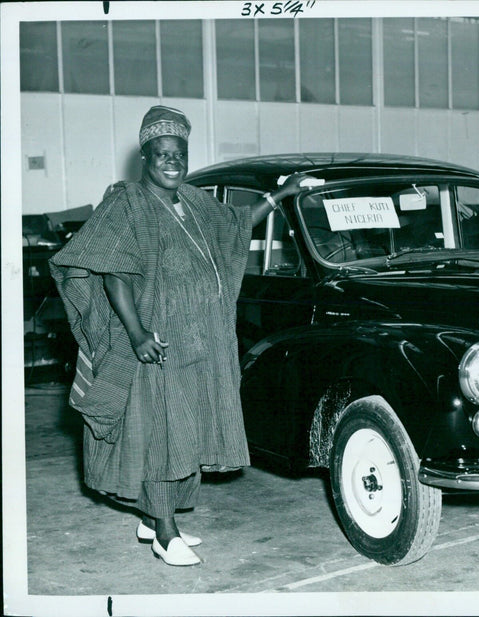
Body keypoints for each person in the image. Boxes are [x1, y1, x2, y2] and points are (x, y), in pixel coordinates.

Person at [50, 106, 310, 566]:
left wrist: (280, 195)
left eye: (180, 154)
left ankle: (153, 519)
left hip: (200, 342)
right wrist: (136, 334)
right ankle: (165, 531)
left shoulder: (192, 200)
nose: (172, 162)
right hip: (158, 344)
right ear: (146, 158)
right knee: (159, 435)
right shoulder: (125, 201)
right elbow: (114, 276)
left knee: (186, 429)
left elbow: (235, 224)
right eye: (162, 154)